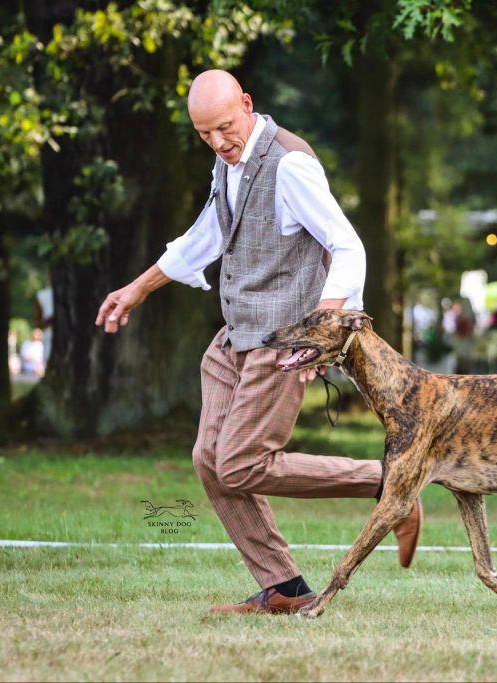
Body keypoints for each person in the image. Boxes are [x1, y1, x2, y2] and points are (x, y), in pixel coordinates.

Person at [95, 70, 423, 614]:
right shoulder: (230, 164)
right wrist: (137, 289)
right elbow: (209, 233)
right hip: (235, 336)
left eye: (225, 127)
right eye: (205, 135)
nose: (219, 143)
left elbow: (348, 247)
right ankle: (285, 589)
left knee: (242, 462)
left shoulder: (290, 164)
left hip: (283, 341)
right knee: (210, 459)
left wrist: (325, 331)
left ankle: (389, 483)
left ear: (247, 104)